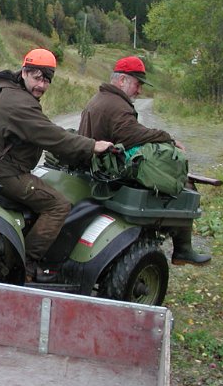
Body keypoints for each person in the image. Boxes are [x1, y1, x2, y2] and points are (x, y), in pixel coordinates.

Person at [0, 48, 114, 282]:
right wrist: (92, 146)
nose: (41, 85)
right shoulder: (19, 103)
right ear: (24, 72)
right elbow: (51, 136)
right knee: (58, 205)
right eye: (37, 78)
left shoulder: (6, 89)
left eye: (46, 80)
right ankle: (27, 263)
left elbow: (44, 129)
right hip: (6, 172)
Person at [78, 55, 211, 265]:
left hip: (96, 167)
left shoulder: (100, 98)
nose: (139, 90)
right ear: (122, 80)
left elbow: (129, 134)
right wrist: (167, 138)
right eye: (137, 84)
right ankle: (182, 250)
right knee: (183, 183)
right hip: (107, 173)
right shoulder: (117, 105)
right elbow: (132, 135)